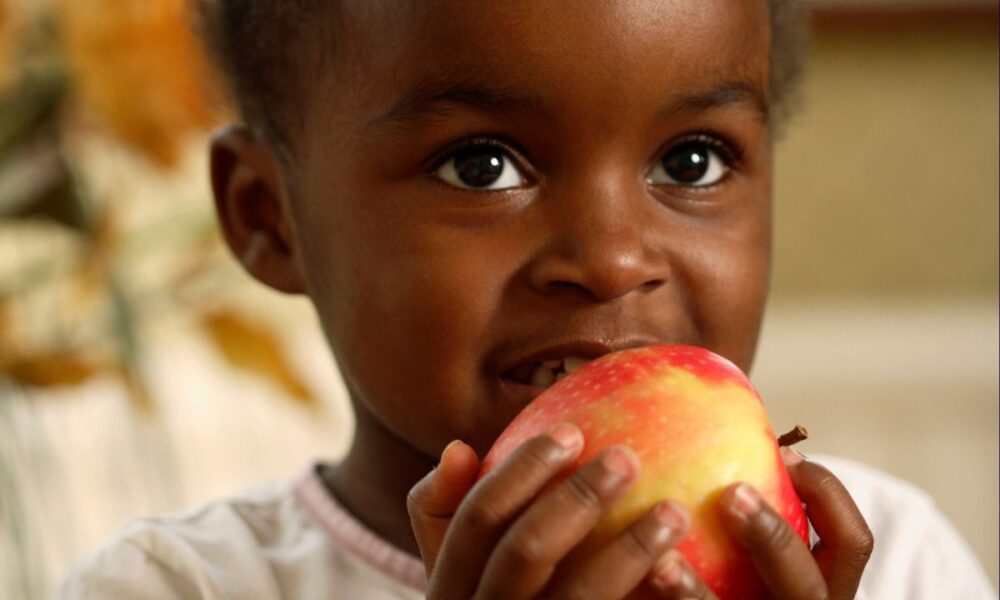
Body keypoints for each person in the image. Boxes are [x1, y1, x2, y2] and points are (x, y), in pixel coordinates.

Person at [59, 1, 995, 598]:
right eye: (482, 165)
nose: (612, 258)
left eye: (692, 160)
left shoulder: (888, 565)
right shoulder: (173, 587)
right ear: (270, 218)